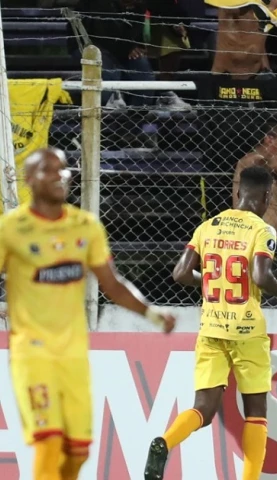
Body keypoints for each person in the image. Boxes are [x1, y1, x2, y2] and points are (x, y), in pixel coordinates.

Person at [0, 148, 175, 480]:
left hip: (73, 354)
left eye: (64, 169)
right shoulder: (11, 228)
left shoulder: (86, 226)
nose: (60, 176)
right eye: (49, 170)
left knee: (78, 450)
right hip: (32, 353)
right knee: (49, 443)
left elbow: (112, 283)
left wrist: (152, 314)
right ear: (29, 180)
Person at [144, 166, 277, 480]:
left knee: (203, 408)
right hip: (246, 330)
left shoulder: (207, 226)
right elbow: (260, 276)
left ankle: (165, 440)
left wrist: (210, 283)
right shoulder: (262, 230)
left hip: (211, 327)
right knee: (256, 413)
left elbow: (181, 274)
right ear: (267, 196)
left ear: (239, 192)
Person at [69, 0, 189, 109]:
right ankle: (108, 112)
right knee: (109, 71)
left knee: (144, 73)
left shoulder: (139, 4)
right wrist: (127, 48)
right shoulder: (98, 4)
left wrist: (176, 24)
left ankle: (136, 119)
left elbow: (164, 6)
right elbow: (102, 31)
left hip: (124, 48)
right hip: (90, 46)